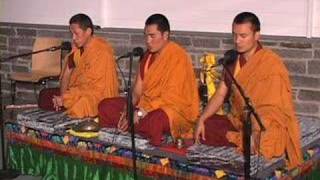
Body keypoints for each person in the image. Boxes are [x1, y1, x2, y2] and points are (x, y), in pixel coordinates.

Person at [194, 12, 302, 169]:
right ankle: (243, 139)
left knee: (269, 140)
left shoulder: (271, 63)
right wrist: (202, 118)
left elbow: (276, 110)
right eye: (234, 35)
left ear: (257, 35)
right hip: (242, 122)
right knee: (206, 126)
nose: (237, 41)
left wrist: (256, 130)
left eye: (243, 36)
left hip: (265, 123)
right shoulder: (232, 62)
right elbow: (220, 94)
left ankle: (245, 140)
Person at [98, 14, 199, 146]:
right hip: (145, 106)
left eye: (152, 36)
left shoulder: (178, 57)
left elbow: (171, 97)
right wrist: (127, 111)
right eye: (146, 36)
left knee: (155, 120)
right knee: (105, 106)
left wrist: (140, 113)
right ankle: (133, 126)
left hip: (171, 110)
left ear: (165, 35)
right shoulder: (147, 57)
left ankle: (140, 131)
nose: (148, 41)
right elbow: (136, 93)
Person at [38, 13, 119, 118]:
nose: (73, 38)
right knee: (44, 96)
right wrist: (63, 97)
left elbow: (94, 88)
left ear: (88, 32)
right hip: (78, 93)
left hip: (98, 96)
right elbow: (66, 76)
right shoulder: (77, 50)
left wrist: (66, 98)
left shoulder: (102, 51)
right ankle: (65, 105)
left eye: (76, 34)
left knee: (81, 105)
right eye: (72, 34)